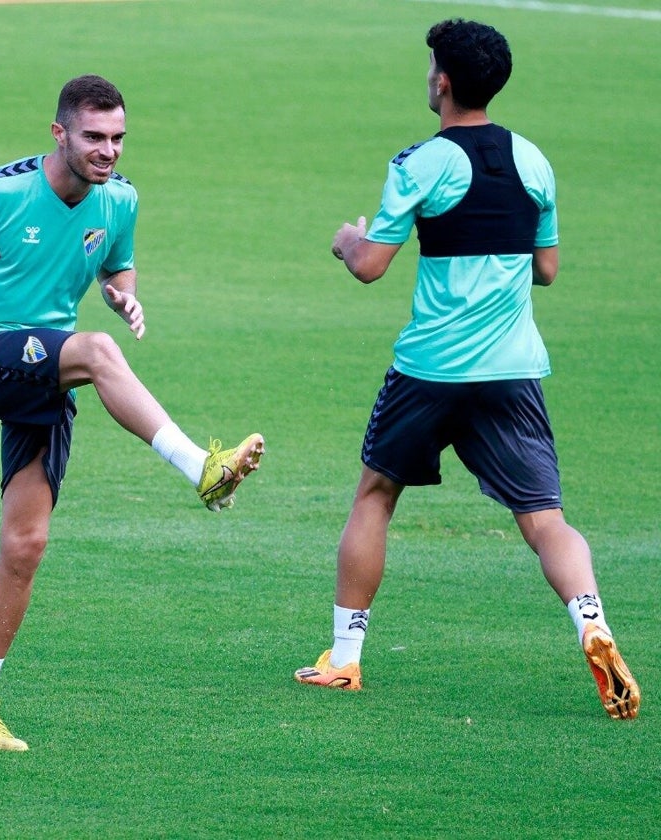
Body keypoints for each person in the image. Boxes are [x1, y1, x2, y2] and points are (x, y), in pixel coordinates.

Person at [0, 74, 264, 751]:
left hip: (50, 370)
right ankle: (202, 465)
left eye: (118, 138)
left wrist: (121, 293)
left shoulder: (121, 201)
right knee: (99, 352)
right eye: (94, 138)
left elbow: (118, 265)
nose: (108, 151)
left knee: (26, 546)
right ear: (59, 134)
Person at [295, 19, 639, 720]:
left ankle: (346, 659)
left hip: (431, 368)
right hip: (512, 369)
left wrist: (344, 239)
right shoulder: (534, 162)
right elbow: (546, 269)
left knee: (375, 496)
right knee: (545, 520)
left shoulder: (421, 163)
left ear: (443, 81)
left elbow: (370, 266)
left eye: (430, 68)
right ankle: (593, 625)